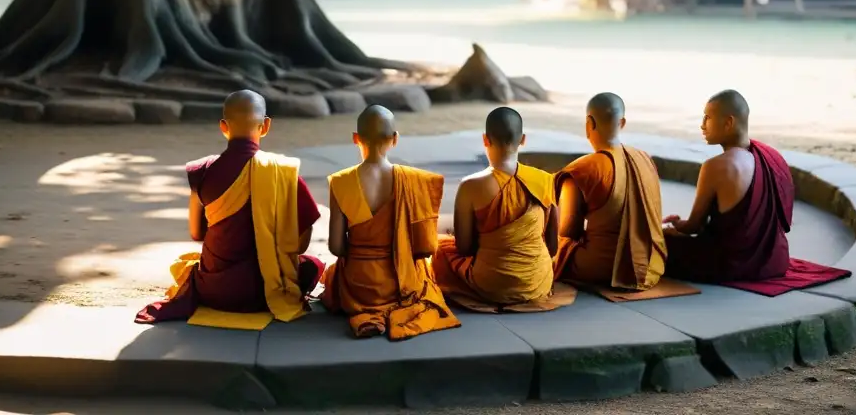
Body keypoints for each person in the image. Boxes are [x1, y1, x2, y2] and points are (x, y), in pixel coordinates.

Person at [135, 90, 324, 324]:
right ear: (265, 126)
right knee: (313, 266)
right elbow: (298, 244)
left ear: (224, 126)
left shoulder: (201, 170)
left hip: (214, 291)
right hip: (265, 292)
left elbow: (197, 234)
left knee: (188, 264)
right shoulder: (282, 172)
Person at [321, 105, 460, 339]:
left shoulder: (341, 182)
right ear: (395, 139)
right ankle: (394, 313)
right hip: (400, 281)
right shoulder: (415, 181)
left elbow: (336, 247)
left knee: (333, 274)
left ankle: (367, 315)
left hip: (359, 287)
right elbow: (425, 247)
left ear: (356, 139)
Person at [432, 107, 571, 312]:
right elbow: (551, 246)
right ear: (523, 139)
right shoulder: (544, 180)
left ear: (485, 140)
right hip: (536, 282)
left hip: (490, 284)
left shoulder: (470, 186)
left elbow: (464, 249)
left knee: (440, 250)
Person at [664, 89, 793, 283]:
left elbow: (693, 226)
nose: (702, 125)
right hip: (775, 261)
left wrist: (674, 225)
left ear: (728, 122)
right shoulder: (772, 156)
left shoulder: (715, 166)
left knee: (650, 242)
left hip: (729, 265)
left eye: (707, 118)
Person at [554, 92, 667, 291]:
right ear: (622, 123)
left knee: (543, 249)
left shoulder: (584, 168)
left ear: (589, 124)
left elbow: (568, 232)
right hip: (653, 264)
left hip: (604, 268)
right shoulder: (644, 159)